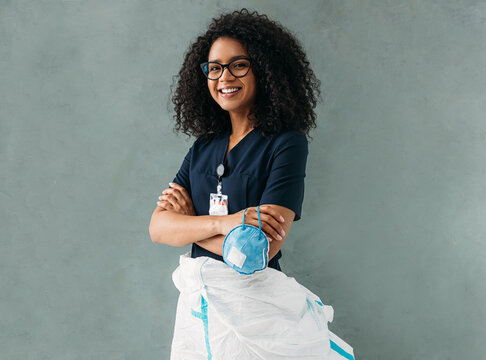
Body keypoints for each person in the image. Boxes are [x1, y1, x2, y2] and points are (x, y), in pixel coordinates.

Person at [149, 9, 354, 360]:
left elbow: (258, 253)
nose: (223, 77)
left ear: (264, 69)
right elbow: (157, 228)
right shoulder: (203, 146)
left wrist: (187, 226)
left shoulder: (286, 144)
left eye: (238, 65)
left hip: (258, 314)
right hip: (199, 310)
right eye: (214, 67)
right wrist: (226, 223)